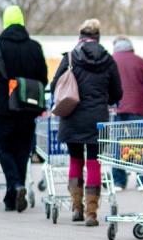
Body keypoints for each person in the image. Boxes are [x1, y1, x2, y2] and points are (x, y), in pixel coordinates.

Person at [0, 5, 48, 212]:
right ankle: (12, 196)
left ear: (5, 22)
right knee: (22, 150)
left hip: (4, 108)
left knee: (4, 148)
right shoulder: (35, 47)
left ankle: (16, 185)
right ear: (22, 21)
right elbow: (43, 77)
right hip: (28, 107)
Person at [50, 19, 123, 226]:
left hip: (72, 116)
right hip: (96, 118)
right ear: (98, 36)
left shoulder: (71, 57)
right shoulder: (108, 60)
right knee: (93, 163)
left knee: (75, 160)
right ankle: (92, 212)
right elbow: (117, 92)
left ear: (80, 35)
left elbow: (55, 85)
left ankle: (76, 208)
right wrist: (103, 98)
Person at [110, 36, 143, 189]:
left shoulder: (110, 60)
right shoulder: (141, 62)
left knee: (116, 143)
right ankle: (142, 180)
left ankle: (118, 182)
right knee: (139, 143)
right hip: (136, 107)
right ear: (131, 47)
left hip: (116, 108)